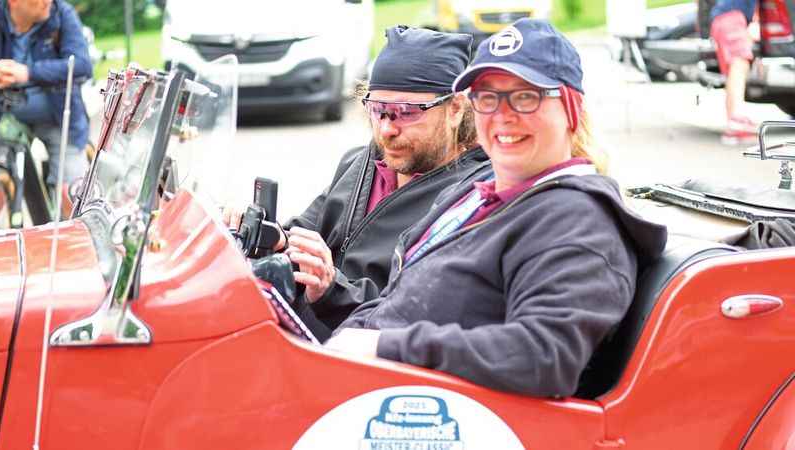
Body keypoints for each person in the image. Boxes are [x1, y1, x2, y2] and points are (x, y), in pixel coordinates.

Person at [325, 19, 668, 397]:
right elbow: (394, 300)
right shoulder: (475, 194)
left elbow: (544, 357)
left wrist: (383, 347)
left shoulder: (577, 217)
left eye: (525, 97)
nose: (503, 115)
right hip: (358, 383)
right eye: (487, 97)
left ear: (571, 108)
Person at [274, 26, 487, 339]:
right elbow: (302, 230)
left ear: (455, 109)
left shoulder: (471, 197)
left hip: (372, 365)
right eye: (377, 109)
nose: (386, 129)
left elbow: (415, 313)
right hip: (300, 338)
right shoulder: (360, 162)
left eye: (405, 112)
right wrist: (267, 234)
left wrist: (333, 290)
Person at [0, 0, 92, 217]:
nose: (48, 1)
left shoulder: (61, 13)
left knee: (72, 197)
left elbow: (82, 65)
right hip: (6, 119)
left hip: (58, 119)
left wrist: (27, 73)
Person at [709, 0, 759, 145]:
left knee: (732, 70)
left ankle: (733, 126)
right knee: (740, 61)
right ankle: (737, 118)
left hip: (725, 18)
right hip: (732, 18)